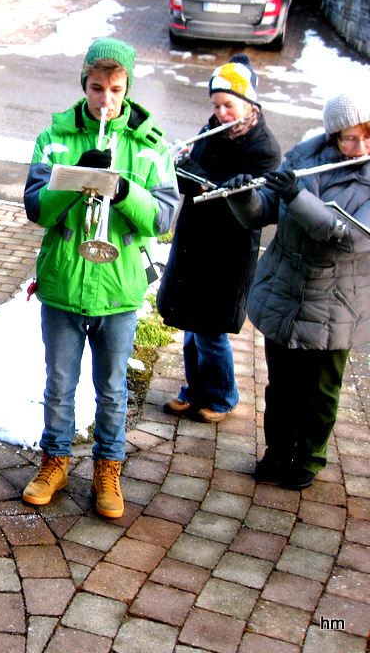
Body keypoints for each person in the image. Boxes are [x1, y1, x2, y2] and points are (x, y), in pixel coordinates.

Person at [22, 37, 178, 519]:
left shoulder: (151, 144)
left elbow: (164, 218)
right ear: (83, 85)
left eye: (114, 89)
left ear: (127, 87)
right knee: (59, 383)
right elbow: (35, 208)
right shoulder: (56, 137)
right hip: (65, 284)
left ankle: (108, 468)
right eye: (95, 88)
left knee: (111, 388)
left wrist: (123, 188)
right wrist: (74, 182)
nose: (104, 100)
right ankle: (55, 461)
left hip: (118, 287)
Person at [225, 92, 370, 491]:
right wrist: (244, 198)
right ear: (332, 137)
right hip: (287, 290)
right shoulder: (305, 158)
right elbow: (266, 210)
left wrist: (296, 195)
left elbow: (345, 237)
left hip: (336, 303)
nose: (361, 148)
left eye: (368, 137)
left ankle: (309, 456)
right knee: (281, 385)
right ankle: (277, 451)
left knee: (321, 390)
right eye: (350, 139)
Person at [157, 54, 281, 423]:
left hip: (228, 248)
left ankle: (223, 396)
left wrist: (195, 172)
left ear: (249, 103)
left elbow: (231, 196)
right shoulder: (212, 130)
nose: (221, 112)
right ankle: (195, 390)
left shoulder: (263, 147)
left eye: (229, 105)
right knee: (192, 325)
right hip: (195, 238)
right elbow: (191, 184)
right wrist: (176, 166)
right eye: (216, 104)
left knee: (210, 329)